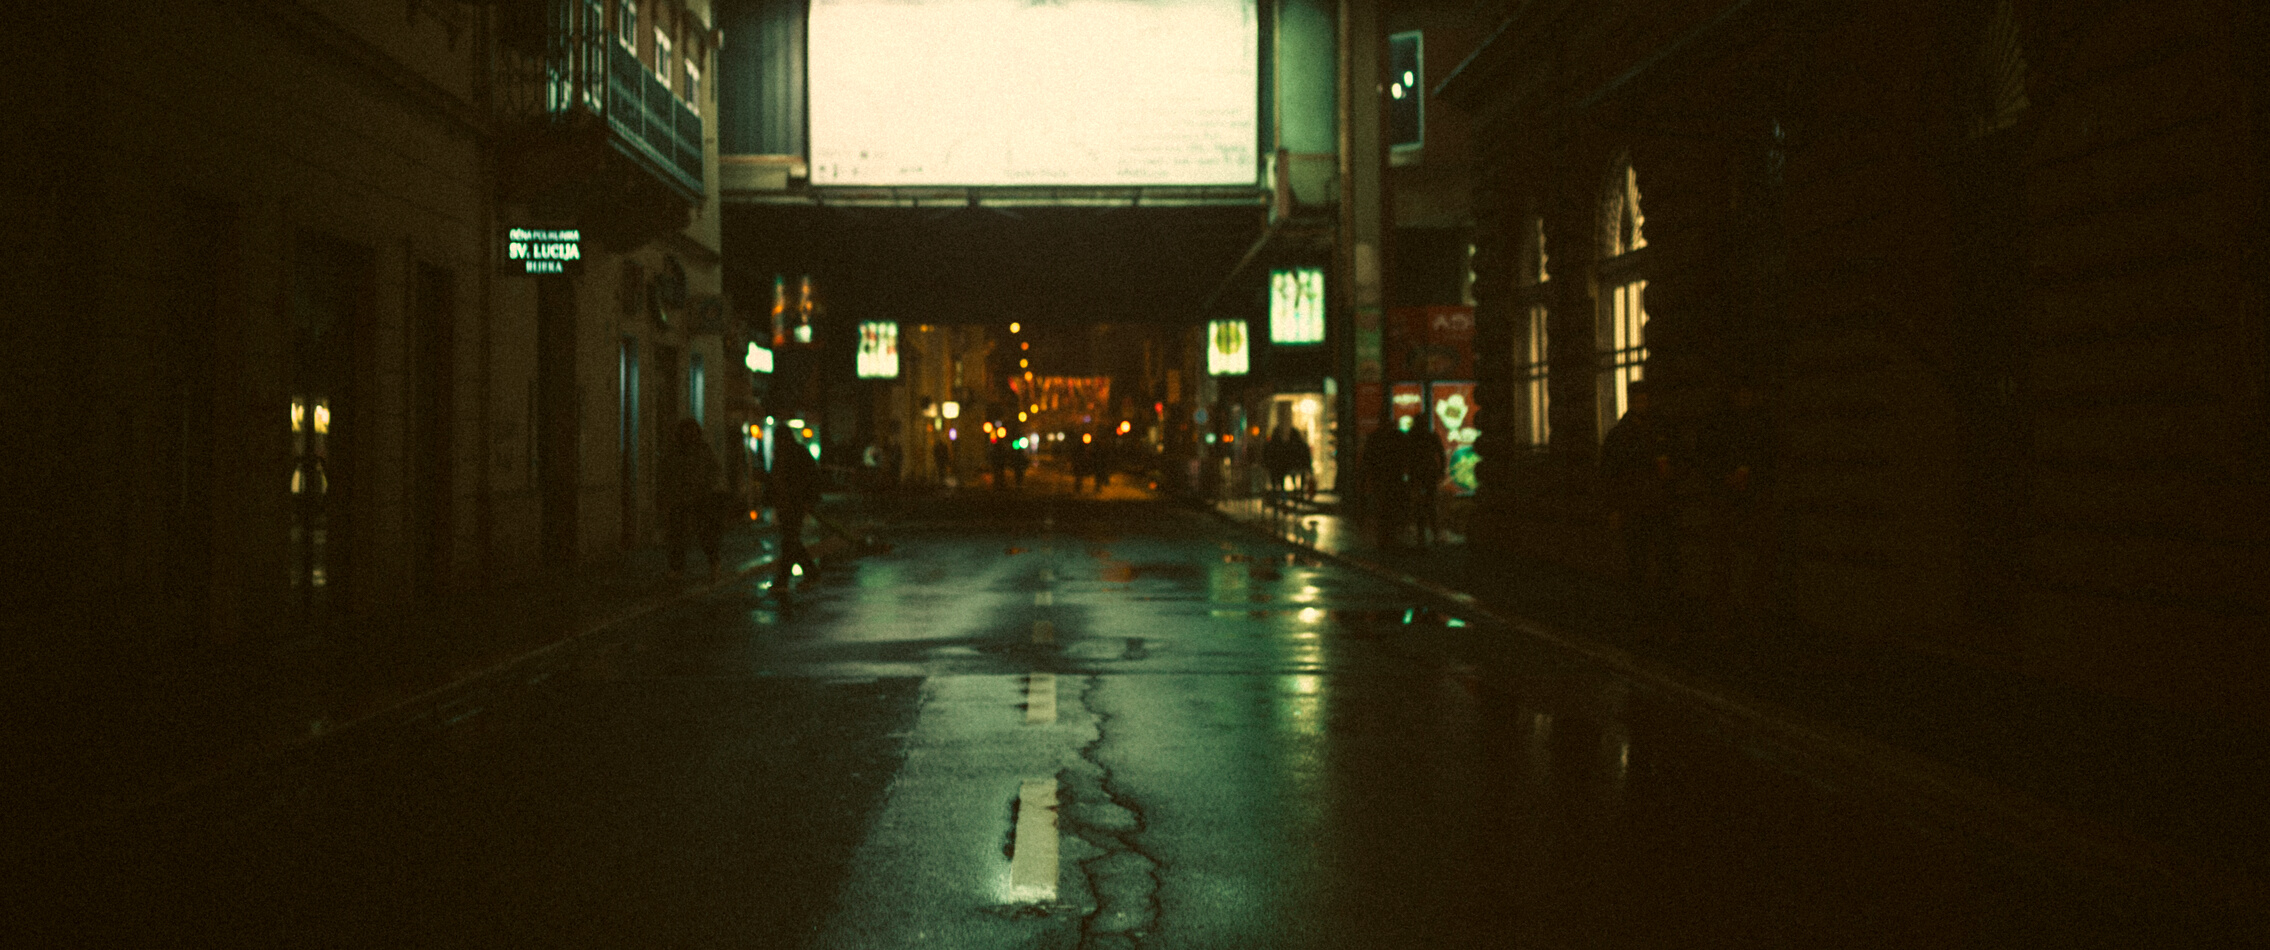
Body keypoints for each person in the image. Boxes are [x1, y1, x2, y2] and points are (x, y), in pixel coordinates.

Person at [1698, 379, 1775, 634]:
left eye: (1747, 393)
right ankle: (1723, 613)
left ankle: (1754, 612)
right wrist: (1724, 477)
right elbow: (1706, 456)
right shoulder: (1721, 423)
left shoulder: (1759, 423)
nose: (1744, 398)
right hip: (1726, 498)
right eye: (1740, 392)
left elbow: (1768, 457)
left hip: (1752, 497)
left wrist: (1751, 475)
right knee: (1723, 557)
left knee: (1755, 559)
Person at [1599, 379, 1682, 600]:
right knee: (1638, 560)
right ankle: (1641, 608)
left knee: (1665, 559)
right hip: (1634, 508)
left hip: (1659, 505)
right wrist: (1614, 509)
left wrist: (1670, 474)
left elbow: (1677, 459)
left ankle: (1662, 605)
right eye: (1637, 400)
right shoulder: (1619, 436)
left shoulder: (1660, 429)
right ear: (1631, 401)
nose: (1641, 404)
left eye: (1644, 399)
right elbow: (1609, 475)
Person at [660, 418, 725, 582]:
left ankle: (714, 562)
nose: (689, 435)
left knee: (705, 534)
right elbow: (667, 472)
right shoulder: (675, 451)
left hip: (700, 498)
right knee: (677, 535)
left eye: (692, 432)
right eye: (685, 432)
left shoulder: (703, 450)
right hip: (679, 498)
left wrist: (705, 485)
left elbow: (714, 470)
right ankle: (676, 568)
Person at [767, 427, 822, 595]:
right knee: (791, 541)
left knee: (789, 541)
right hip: (786, 503)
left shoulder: (796, 453)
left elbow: (811, 477)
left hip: (794, 503)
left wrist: (808, 499)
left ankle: (783, 579)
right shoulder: (784, 454)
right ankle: (810, 572)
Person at [1401, 416, 1446, 547]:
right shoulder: (1431, 435)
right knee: (1430, 503)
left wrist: (1406, 473)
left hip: (1416, 474)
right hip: (1430, 473)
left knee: (1419, 504)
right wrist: (1441, 470)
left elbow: (1405, 456)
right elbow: (1441, 453)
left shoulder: (1411, 437)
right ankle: (1435, 533)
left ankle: (1421, 535)